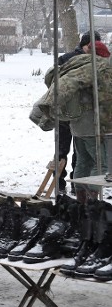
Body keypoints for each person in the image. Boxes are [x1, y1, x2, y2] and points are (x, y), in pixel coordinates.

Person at [64, 37, 112, 202]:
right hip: (92, 124)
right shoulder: (96, 71)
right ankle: (92, 203)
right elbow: (104, 98)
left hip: (77, 124)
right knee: (100, 164)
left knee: (83, 161)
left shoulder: (77, 68)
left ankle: (81, 201)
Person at [53, 32, 100, 191]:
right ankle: (64, 182)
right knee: (68, 150)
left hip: (76, 114)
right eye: (91, 46)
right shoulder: (70, 59)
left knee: (73, 151)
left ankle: (71, 183)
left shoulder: (91, 61)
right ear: (84, 45)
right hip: (71, 113)